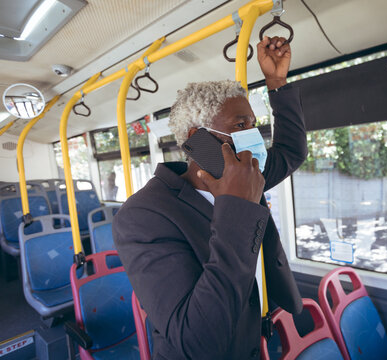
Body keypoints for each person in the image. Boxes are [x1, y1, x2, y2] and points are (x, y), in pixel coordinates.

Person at [113, 36, 307, 359]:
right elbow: (197, 340)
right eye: (240, 125)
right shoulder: (142, 217)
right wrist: (239, 209)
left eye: (253, 125)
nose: (253, 136)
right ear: (197, 140)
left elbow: (291, 151)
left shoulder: (249, 173)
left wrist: (277, 83)